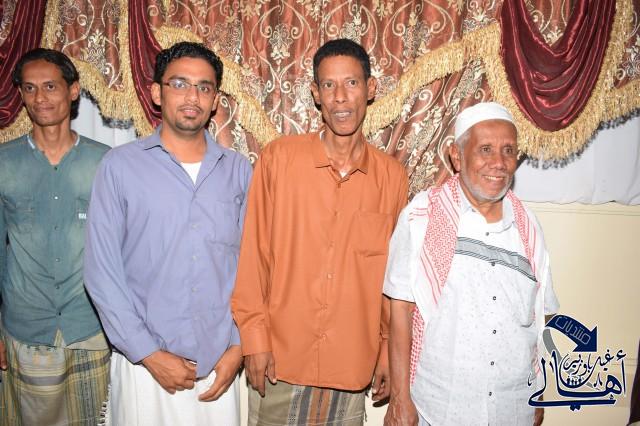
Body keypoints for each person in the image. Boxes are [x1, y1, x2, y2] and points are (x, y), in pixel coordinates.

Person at [231, 38, 409, 425]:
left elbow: (393, 276)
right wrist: (254, 339)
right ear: (315, 93)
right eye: (329, 85)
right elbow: (253, 256)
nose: (340, 97)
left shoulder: (391, 177)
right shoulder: (279, 160)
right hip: (280, 362)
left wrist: (386, 348)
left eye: (351, 83)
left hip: (351, 364)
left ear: (371, 88)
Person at [83, 42, 252, 426]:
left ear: (215, 101)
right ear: (157, 93)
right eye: (179, 84)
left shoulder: (238, 170)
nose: (192, 97)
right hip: (145, 369)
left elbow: (252, 266)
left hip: (219, 366)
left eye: (204, 87)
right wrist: (148, 353)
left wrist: (238, 346)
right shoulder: (120, 167)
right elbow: (101, 273)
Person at [383, 102, 560, 426]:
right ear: (456, 155)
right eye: (485, 149)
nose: (499, 163)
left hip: (513, 409)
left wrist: (539, 390)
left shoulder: (529, 229)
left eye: (508, 150)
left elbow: (540, 317)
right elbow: (400, 310)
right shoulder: (422, 217)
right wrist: (399, 398)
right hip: (438, 409)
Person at [0, 48, 110, 425]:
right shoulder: (4, 162)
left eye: (50, 86)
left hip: (92, 327)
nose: (40, 98)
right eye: (30, 88)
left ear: (73, 90)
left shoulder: (106, 162)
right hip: (26, 328)